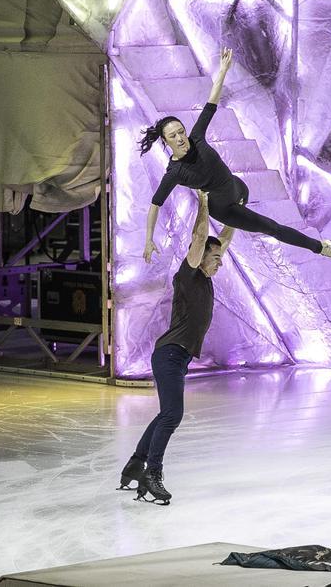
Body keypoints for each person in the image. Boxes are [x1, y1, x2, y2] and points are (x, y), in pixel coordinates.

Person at [140, 47, 331, 265]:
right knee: (272, 228)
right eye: (174, 136)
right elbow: (155, 205)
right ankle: (322, 247)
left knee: (252, 206)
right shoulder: (175, 172)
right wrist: (148, 239)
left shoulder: (197, 137)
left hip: (238, 188)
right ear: (166, 141)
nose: (181, 138)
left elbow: (211, 103)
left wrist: (223, 70)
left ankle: (318, 243)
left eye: (181, 131)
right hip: (224, 208)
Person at [119, 190, 234, 505]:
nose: (220, 263)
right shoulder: (189, 275)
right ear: (201, 257)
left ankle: (134, 464)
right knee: (173, 414)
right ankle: (152, 472)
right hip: (169, 353)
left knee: (165, 414)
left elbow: (221, 239)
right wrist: (205, 202)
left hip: (177, 357)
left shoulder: (206, 278)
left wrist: (236, 212)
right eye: (216, 258)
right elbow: (200, 239)